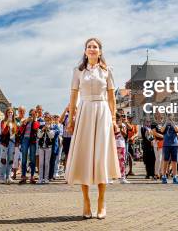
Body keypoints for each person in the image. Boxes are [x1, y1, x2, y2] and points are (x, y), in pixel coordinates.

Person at [65, 37, 120, 220]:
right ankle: (86, 201)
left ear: (100, 51)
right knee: (85, 156)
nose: (92, 49)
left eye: (95, 47)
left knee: (101, 157)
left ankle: (102, 202)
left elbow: (112, 98)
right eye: (89, 47)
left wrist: (113, 118)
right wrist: (71, 119)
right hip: (85, 111)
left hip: (103, 112)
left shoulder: (107, 71)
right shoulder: (78, 71)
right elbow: (73, 97)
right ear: (85, 50)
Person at [18, 108, 40, 184]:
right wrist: (25, 122)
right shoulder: (26, 121)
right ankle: (23, 176)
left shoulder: (37, 121)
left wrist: (34, 120)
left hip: (32, 141)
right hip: (25, 139)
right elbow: (20, 130)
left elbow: (35, 128)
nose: (32, 115)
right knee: (24, 158)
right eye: (31, 114)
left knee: (32, 159)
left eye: (34, 114)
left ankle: (32, 176)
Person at [157, 118, 178, 184]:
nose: (170, 117)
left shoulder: (176, 123)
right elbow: (161, 130)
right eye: (169, 115)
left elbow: (177, 129)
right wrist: (166, 123)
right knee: (165, 161)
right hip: (166, 144)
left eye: (171, 115)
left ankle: (175, 177)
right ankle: (164, 176)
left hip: (174, 144)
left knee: (174, 161)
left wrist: (172, 123)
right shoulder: (164, 123)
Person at [0, 108, 18, 183]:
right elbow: (3, 132)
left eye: (11, 112)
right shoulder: (3, 122)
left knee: (10, 160)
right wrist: (7, 125)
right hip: (5, 142)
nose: (10, 114)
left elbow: (15, 133)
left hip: (12, 142)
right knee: (3, 159)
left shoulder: (14, 122)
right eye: (9, 112)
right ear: (6, 113)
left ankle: (8, 176)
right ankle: (2, 177)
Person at [37, 113, 55, 184]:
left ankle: (46, 178)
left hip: (48, 147)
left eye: (48, 119)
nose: (47, 121)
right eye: (46, 119)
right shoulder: (41, 126)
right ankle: (40, 178)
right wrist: (42, 130)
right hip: (41, 147)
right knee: (41, 163)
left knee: (47, 163)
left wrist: (47, 130)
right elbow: (39, 136)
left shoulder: (52, 127)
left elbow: (51, 136)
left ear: (50, 120)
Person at [113, 112, 128, 184]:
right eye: (117, 118)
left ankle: (122, 177)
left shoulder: (123, 125)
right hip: (112, 145)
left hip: (121, 145)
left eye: (119, 118)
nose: (118, 119)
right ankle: (111, 177)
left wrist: (120, 128)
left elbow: (125, 135)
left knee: (122, 162)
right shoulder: (111, 124)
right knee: (112, 161)